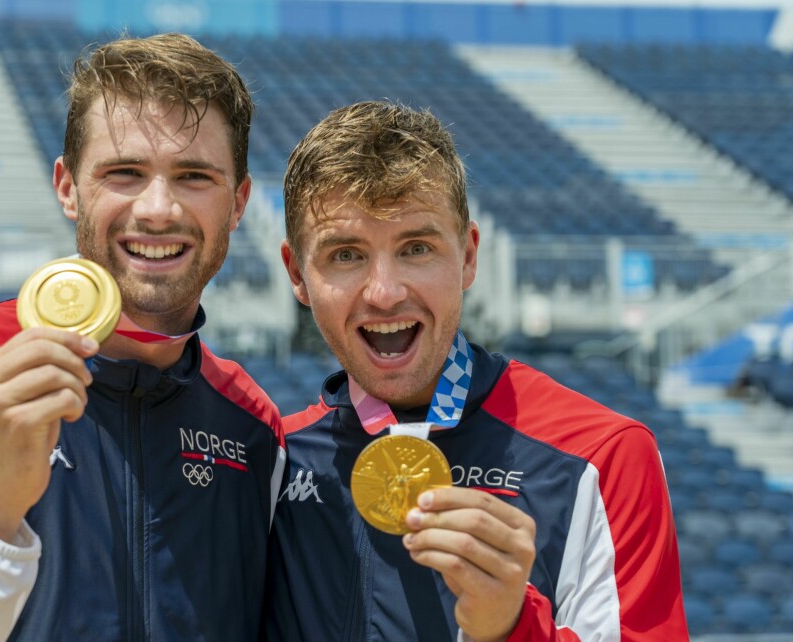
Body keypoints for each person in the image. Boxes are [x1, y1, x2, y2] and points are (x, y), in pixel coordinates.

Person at [0, 33, 285, 641]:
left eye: (194, 176)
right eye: (125, 172)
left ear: (239, 203)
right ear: (68, 187)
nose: (158, 209)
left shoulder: (253, 423)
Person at [264, 101, 687, 641]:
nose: (385, 292)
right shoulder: (270, 462)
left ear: (467, 256)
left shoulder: (603, 456)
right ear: (298, 275)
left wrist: (509, 626)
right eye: (346, 255)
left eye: (417, 248)